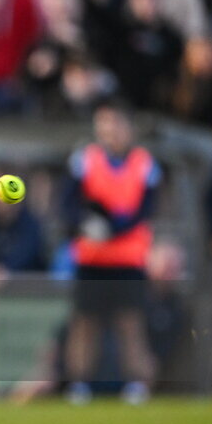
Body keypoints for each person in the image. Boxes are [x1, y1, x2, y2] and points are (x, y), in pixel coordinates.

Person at [63, 101, 160, 404]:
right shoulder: (84, 160)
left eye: (115, 123)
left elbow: (145, 210)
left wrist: (111, 228)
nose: (109, 131)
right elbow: (67, 205)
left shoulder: (145, 164)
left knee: (130, 323)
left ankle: (138, 385)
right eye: (103, 123)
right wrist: (85, 225)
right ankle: (79, 385)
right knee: (84, 323)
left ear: (128, 127)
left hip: (128, 258)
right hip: (92, 258)